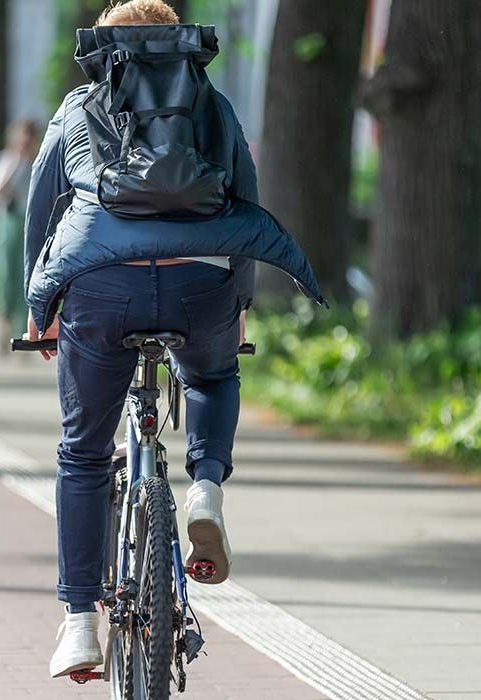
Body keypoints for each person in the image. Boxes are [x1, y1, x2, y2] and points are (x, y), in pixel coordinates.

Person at [22, 0, 323, 678]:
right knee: (213, 375)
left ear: (106, 47)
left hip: (102, 282)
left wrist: (37, 308)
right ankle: (206, 488)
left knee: (83, 452)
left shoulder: (79, 104)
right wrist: (236, 300)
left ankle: (77, 623)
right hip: (201, 283)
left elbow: (42, 209)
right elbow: (244, 198)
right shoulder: (211, 104)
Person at [0, 120, 38, 350]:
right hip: (6, 221)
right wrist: (16, 164)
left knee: (26, 279)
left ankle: (22, 330)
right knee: (5, 275)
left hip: (29, 224)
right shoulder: (4, 160)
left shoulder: (39, 162)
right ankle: (3, 325)